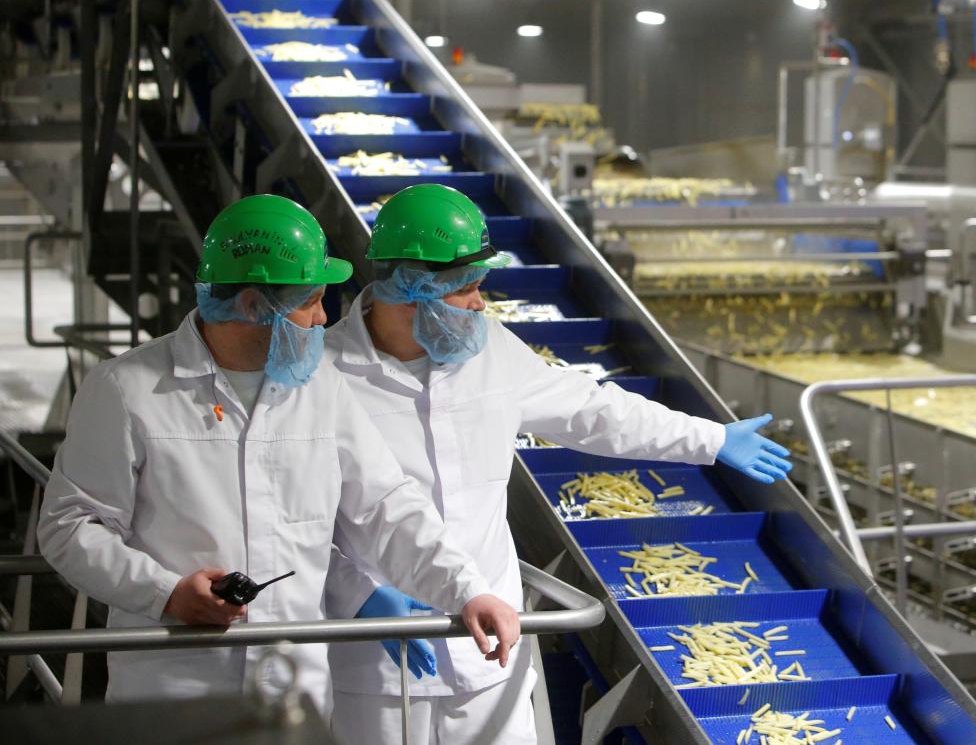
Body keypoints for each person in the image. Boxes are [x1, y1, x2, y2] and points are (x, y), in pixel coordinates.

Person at [324, 184, 793, 745]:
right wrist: (355, 595)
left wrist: (709, 438)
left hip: (491, 652)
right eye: (466, 290)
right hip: (380, 661)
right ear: (410, 288)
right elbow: (289, 523)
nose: (480, 304)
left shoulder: (488, 349)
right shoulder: (325, 376)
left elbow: (594, 410)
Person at [37, 194, 520, 711]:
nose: (321, 319)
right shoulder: (126, 391)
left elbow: (387, 507)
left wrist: (467, 589)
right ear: (252, 304)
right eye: (309, 300)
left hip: (295, 690)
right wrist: (166, 593)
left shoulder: (320, 390)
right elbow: (70, 527)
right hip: (173, 691)